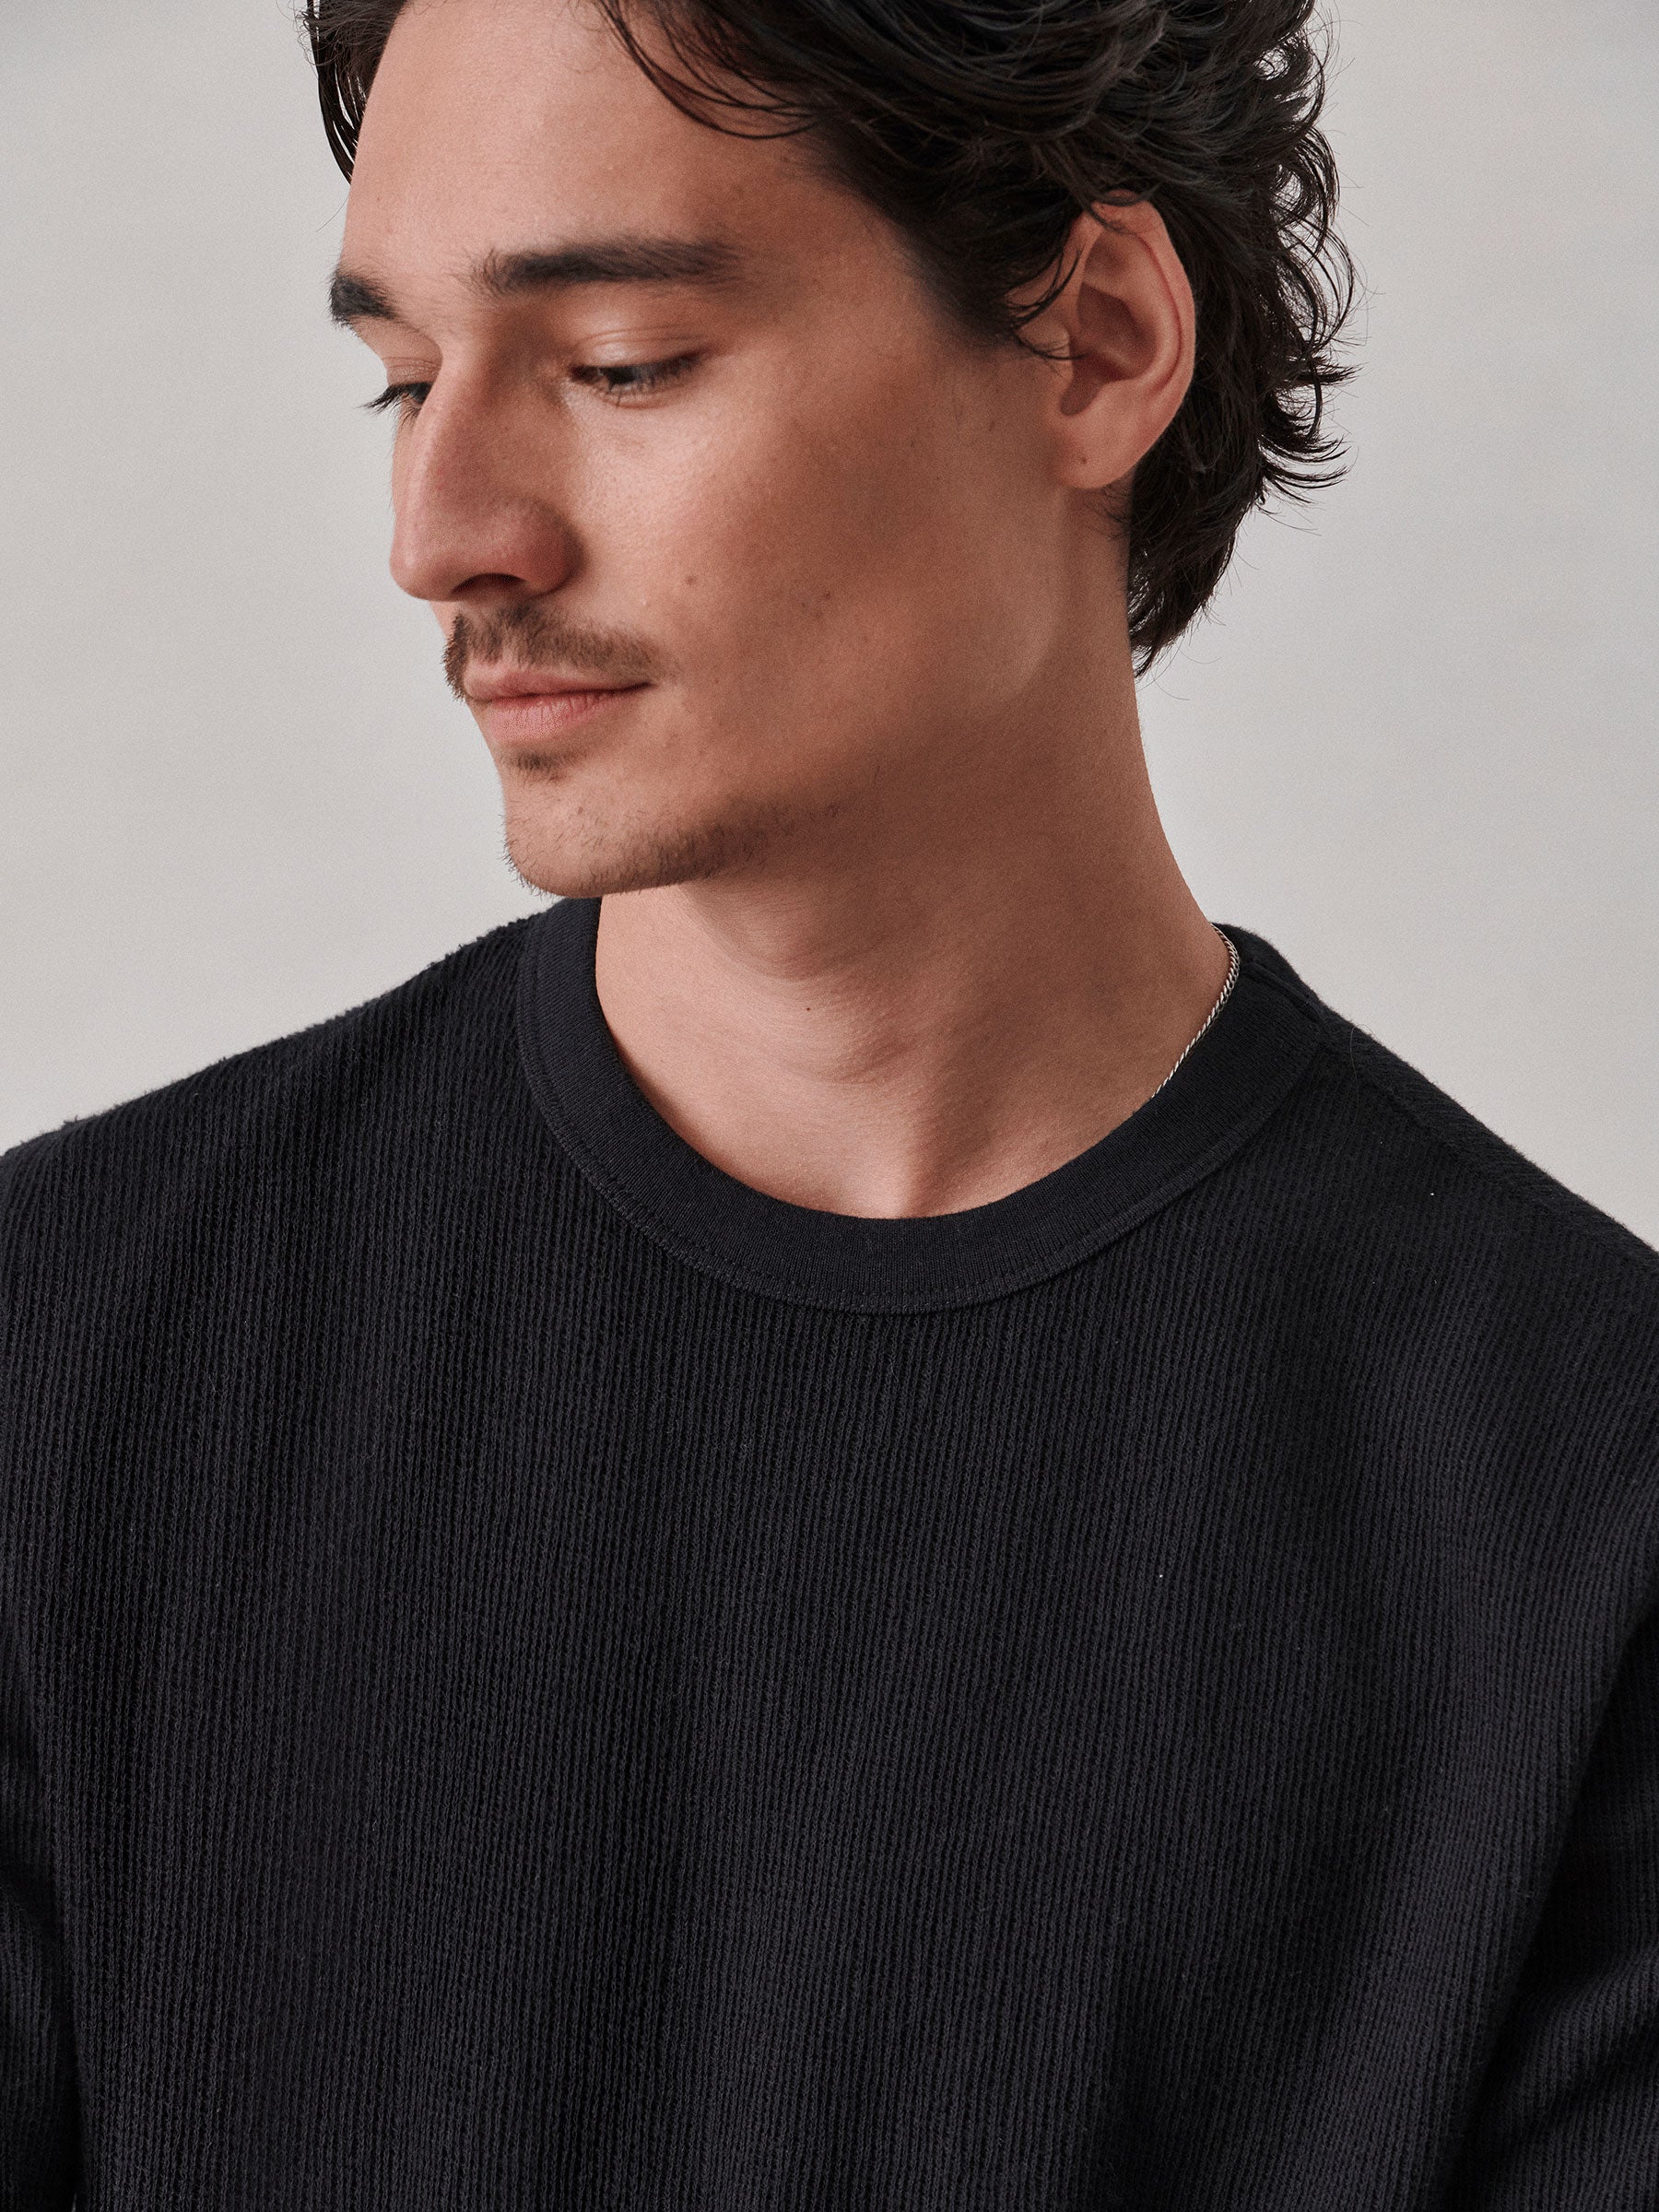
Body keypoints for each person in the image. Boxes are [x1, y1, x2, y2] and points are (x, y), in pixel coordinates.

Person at [3, 0, 1655, 2201]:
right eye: (404, 375)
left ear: (1096, 346)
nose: (444, 529)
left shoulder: (1583, 1511)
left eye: (621, 364)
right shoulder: (62, 1370)